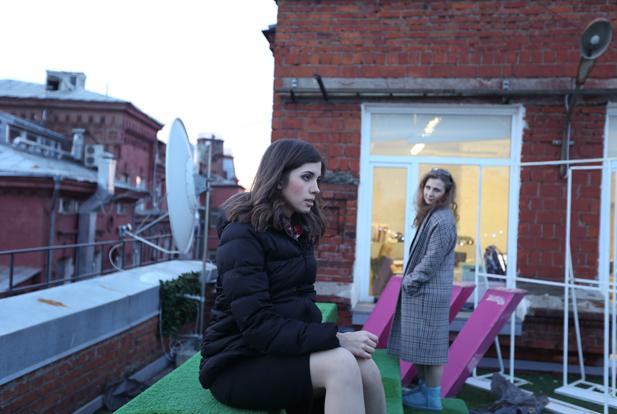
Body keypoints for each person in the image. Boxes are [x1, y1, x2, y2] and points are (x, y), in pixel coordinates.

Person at [199, 139, 386, 414]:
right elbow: (257, 326)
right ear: (278, 178)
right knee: (341, 364)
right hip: (237, 361)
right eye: (307, 177)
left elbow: (301, 305)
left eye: (318, 179)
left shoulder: (297, 230)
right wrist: (338, 339)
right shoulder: (242, 234)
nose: (316, 189)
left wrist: (334, 342)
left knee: (366, 366)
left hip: (281, 352)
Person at [387, 168, 458, 412]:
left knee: (433, 349)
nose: (430, 193)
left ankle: (433, 399)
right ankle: (426, 391)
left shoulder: (443, 219)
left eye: (436, 189)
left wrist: (411, 280)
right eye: (427, 187)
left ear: (446, 193)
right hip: (423, 292)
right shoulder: (433, 214)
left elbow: (432, 258)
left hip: (428, 292)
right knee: (422, 346)